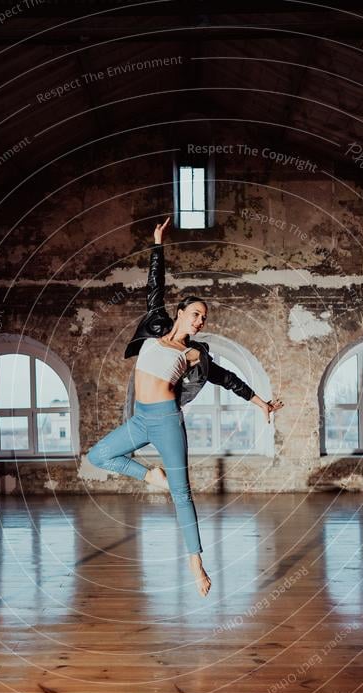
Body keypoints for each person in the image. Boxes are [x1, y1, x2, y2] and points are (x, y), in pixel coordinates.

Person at [87, 217, 283, 596]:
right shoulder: (157, 327)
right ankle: (152, 477)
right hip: (140, 419)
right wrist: (157, 245)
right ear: (180, 313)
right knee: (99, 455)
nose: (201, 320)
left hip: (165, 422)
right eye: (196, 314)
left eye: (205, 318)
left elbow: (226, 378)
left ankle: (196, 563)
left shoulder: (196, 355)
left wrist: (261, 403)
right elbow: (154, 287)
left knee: (183, 495)